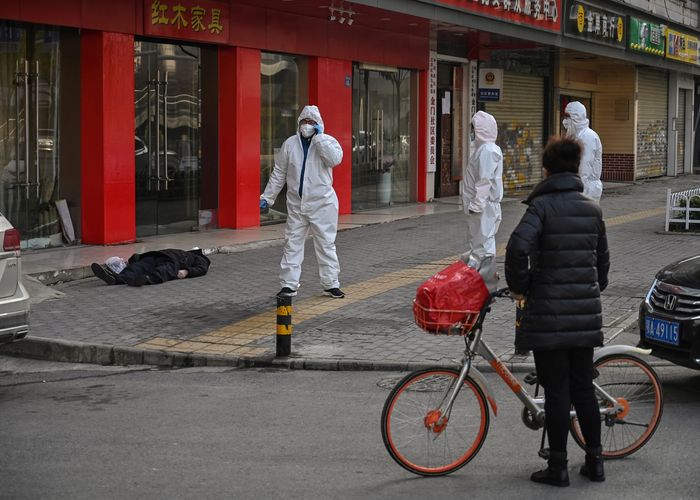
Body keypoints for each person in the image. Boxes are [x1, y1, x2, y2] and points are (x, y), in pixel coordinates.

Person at [505, 136, 610, 487]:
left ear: (547, 170)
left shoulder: (542, 208)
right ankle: (595, 462)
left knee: (557, 391)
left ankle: (559, 466)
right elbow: (603, 265)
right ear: (576, 169)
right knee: (583, 389)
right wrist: (591, 289)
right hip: (584, 313)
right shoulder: (591, 208)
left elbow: (518, 247)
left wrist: (521, 286)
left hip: (548, 314)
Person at [260, 105, 345, 299]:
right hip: (297, 204)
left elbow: (335, 160)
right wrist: (267, 197)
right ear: (298, 124)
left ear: (319, 125)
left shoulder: (328, 141)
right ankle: (289, 285)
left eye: (312, 122)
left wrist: (320, 139)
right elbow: (279, 172)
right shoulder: (290, 144)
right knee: (292, 244)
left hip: (323, 203)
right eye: (304, 121)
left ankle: (331, 284)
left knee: (326, 244)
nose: (307, 125)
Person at [461, 110, 503, 287]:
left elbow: (484, 180)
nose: (472, 132)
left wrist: (477, 205)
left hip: (483, 207)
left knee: (482, 246)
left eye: (474, 128)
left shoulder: (487, 151)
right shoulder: (486, 149)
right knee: (482, 243)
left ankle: (483, 284)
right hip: (483, 207)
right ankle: (484, 280)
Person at [91, 248, 211, 287]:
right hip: (159, 256)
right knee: (138, 266)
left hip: (173, 262)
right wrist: (134, 259)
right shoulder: (184, 252)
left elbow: (202, 269)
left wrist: (186, 272)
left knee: (162, 271)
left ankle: (145, 278)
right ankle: (117, 278)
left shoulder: (200, 258)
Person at [562, 101, 603, 202]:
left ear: (576, 117)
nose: (565, 121)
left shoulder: (587, 137)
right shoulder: (576, 136)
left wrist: (577, 189)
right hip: (578, 187)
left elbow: (584, 168)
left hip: (586, 189)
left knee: (583, 217)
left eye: (568, 117)